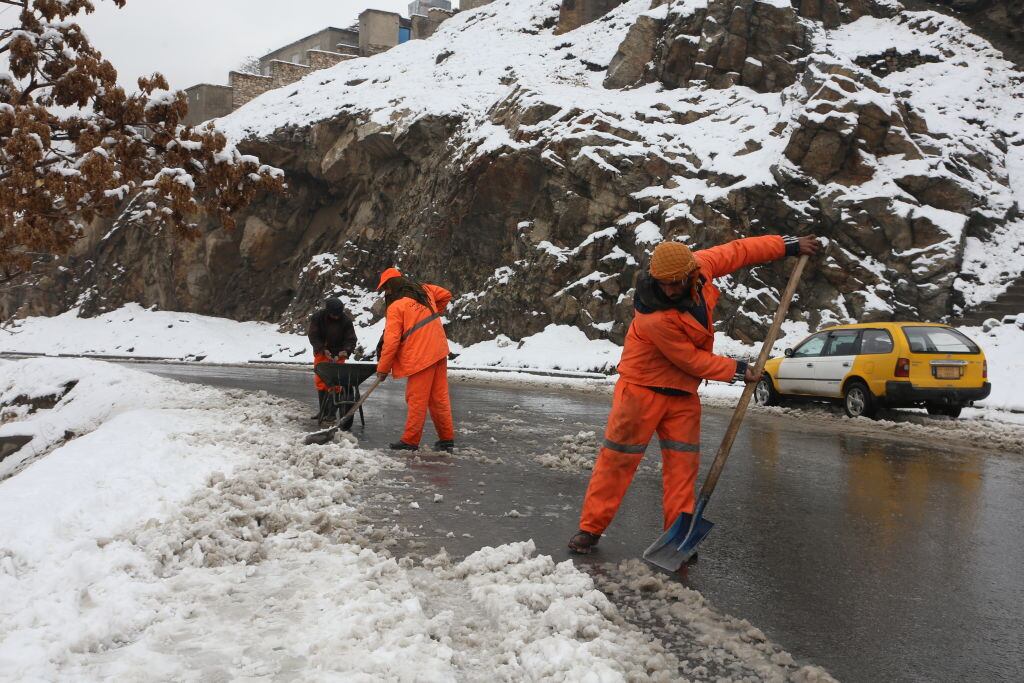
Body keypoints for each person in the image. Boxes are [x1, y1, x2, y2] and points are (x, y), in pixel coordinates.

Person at [568, 234, 821, 554]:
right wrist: (738, 370)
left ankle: (677, 537)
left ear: (691, 274)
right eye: (664, 284)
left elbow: (739, 250)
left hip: (682, 395)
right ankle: (590, 528)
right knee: (617, 460)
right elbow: (689, 359)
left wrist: (788, 246)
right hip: (640, 392)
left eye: (676, 283)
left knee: (682, 468)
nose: (669, 290)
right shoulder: (654, 317)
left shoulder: (701, 267)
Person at [375, 267, 456, 452]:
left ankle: (410, 441)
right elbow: (446, 294)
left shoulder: (396, 307)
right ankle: (446, 439)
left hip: (421, 356)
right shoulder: (424, 290)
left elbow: (391, 341)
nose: (386, 292)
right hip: (439, 349)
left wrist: (382, 369)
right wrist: (433, 316)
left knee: (416, 399)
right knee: (439, 399)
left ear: (392, 286)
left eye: (386, 288)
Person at [307, 297, 358, 425]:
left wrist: (346, 351)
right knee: (321, 381)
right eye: (334, 315)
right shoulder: (318, 318)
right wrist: (322, 349)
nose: (336, 317)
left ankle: (331, 414)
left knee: (336, 383)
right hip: (322, 351)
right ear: (328, 311)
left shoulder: (345, 321)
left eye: (338, 315)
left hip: (339, 353)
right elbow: (313, 335)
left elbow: (351, 339)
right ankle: (323, 411)